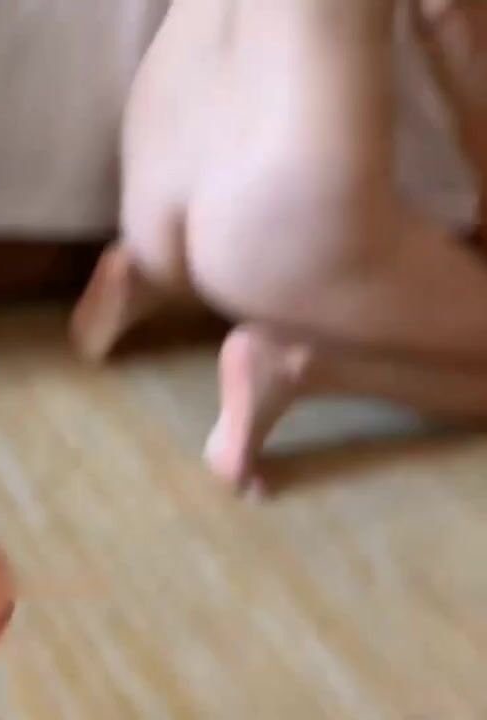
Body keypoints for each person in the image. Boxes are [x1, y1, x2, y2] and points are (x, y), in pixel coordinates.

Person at [69, 0, 487, 494]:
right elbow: (452, 20)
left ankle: (146, 276)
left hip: (153, 176)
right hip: (276, 215)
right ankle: (298, 367)